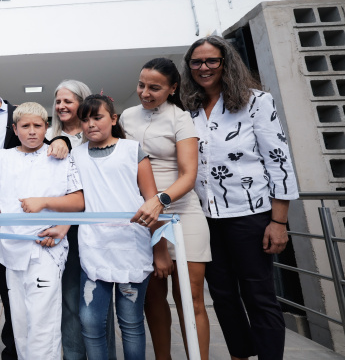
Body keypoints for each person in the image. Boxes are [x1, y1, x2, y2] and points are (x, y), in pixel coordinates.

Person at [180, 35, 298, 360]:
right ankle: (239, 356)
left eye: (211, 61)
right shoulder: (187, 111)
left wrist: (279, 221)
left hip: (251, 215)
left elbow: (278, 161)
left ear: (225, 62)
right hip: (205, 219)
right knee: (222, 296)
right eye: (196, 62)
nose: (203, 68)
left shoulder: (257, 102)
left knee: (258, 295)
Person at [0, 62, 70, 360]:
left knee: (12, 289)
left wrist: (61, 139)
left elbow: (46, 137)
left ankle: (13, 352)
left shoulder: (19, 116)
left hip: (10, 208)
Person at [0, 101, 85, 360]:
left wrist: (45, 203)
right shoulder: (4, 157)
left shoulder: (60, 156)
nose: (32, 131)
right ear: (15, 129)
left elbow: (78, 201)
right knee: (19, 323)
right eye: (25, 126)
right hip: (11, 251)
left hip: (46, 250)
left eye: (38, 126)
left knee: (43, 323)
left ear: (47, 128)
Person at [119, 58, 211, 360]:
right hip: (145, 218)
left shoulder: (181, 119)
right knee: (153, 299)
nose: (145, 92)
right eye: (142, 85)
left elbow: (189, 174)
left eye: (155, 88)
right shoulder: (127, 117)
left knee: (190, 297)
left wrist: (161, 200)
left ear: (172, 89)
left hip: (181, 212)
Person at [71, 94, 164, 360]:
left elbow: (152, 202)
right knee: (90, 322)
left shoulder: (132, 149)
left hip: (132, 247)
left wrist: (160, 251)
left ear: (113, 119)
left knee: (131, 323)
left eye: (97, 117)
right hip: (94, 248)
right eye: (85, 119)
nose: (90, 124)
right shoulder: (75, 155)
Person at [44, 80, 101, 360]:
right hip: (60, 228)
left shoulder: (96, 135)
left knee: (94, 301)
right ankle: (74, 355)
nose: (61, 106)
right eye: (58, 101)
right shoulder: (46, 137)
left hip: (92, 227)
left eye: (68, 101)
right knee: (67, 298)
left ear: (82, 102)